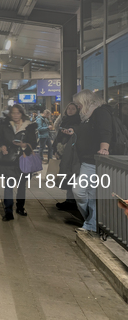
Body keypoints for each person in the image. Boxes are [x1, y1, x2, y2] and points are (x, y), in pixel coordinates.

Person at [65, 90, 112, 235]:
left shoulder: (100, 112)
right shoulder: (87, 116)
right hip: (87, 159)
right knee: (89, 193)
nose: (78, 107)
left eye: (79, 104)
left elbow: (106, 131)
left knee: (80, 190)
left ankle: (92, 222)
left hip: (95, 159)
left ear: (85, 102)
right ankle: (92, 222)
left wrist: (104, 148)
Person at [0, 104, 38, 221]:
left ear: (22, 114)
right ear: (10, 114)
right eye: (13, 113)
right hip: (8, 159)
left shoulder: (29, 126)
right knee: (8, 185)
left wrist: (25, 146)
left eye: (18, 113)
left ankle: (20, 207)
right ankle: (8, 211)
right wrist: (2, 146)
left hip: (22, 159)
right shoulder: (4, 125)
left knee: (21, 186)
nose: (15, 115)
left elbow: (34, 143)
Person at [52, 103, 81, 211]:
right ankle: (70, 200)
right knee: (67, 175)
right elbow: (58, 136)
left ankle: (72, 201)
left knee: (71, 175)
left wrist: (71, 132)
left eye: (73, 109)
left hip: (72, 153)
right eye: (68, 108)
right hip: (63, 151)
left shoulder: (78, 121)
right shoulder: (64, 120)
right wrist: (55, 149)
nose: (70, 110)